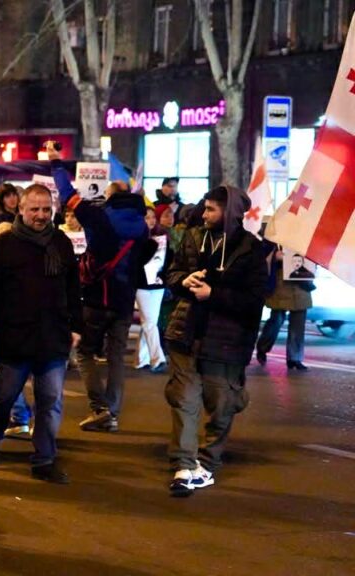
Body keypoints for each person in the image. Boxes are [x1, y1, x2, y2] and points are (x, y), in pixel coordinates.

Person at [0, 184, 83, 483]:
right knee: (4, 396)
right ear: (20, 210)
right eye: (34, 209)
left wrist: (76, 326)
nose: (40, 215)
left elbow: (73, 288)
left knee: (50, 400)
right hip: (14, 336)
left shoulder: (61, 243)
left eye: (46, 210)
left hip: (53, 336)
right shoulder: (3, 245)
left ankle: (44, 459)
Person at [164, 185, 265, 497]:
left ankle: (207, 463)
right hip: (185, 332)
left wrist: (215, 295)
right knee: (184, 399)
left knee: (221, 404)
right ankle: (184, 465)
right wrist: (184, 280)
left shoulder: (250, 249)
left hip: (226, 340)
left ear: (231, 212)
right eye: (204, 208)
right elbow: (171, 272)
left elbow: (255, 301)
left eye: (211, 209)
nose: (203, 214)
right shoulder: (193, 237)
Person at [52, 146, 152, 434]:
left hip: (96, 298)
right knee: (117, 356)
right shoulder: (141, 226)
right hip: (124, 302)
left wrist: (56, 163)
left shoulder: (100, 217)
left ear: (110, 199)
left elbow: (67, 193)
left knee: (84, 352)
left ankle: (100, 408)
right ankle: (114, 412)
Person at [256, 244, 314, 371]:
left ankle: (295, 359)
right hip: (280, 282)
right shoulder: (275, 237)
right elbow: (261, 256)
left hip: (301, 281)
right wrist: (274, 258)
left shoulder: (304, 236)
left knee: (298, 324)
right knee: (275, 321)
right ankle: (263, 347)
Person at [136, 206, 170, 373]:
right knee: (149, 322)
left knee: (149, 322)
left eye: (152, 217)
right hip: (141, 284)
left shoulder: (163, 238)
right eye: (146, 217)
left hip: (158, 285)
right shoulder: (136, 239)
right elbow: (138, 260)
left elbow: (169, 260)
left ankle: (141, 359)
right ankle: (157, 358)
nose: (150, 221)